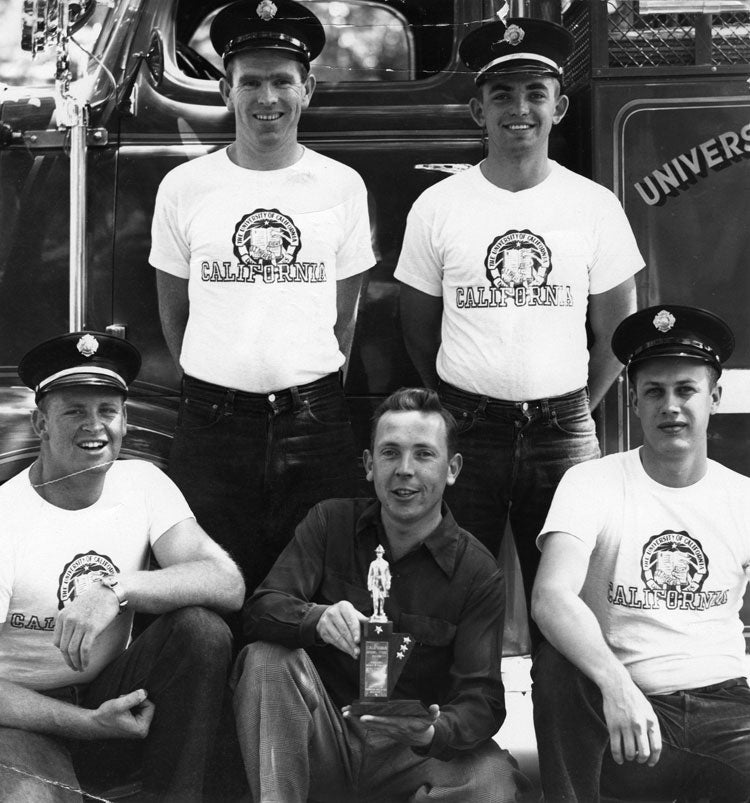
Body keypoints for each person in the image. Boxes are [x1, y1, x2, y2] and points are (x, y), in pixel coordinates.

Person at [394, 16, 644, 641]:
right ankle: (464, 709)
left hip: (562, 431)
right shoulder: (438, 206)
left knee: (571, 610)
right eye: (502, 94)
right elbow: (418, 328)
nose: (520, 109)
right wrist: (459, 405)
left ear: (559, 106)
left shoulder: (594, 205)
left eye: (536, 93)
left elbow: (618, 331)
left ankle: (567, 714)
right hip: (466, 428)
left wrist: (573, 407)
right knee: (451, 600)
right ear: (478, 110)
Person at [149, 0, 375, 599]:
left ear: (308, 90)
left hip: (315, 426)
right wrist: (222, 384)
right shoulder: (184, 187)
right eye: (250, 82)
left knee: (324, 600)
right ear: (227, 90)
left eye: (282, 81)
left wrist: (303, 392)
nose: (266, 97)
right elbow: (175, 313)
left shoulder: (342, 186)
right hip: (212, 427)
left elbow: (344, 319)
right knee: (209, 598)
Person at [232, 387, 530, 802]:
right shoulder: (330, 523)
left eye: (423, 454)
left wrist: (432, 731)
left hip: (409, 754)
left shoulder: (477, 572)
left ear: (452, 468)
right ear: (370, 465)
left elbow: (481, 698)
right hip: (324, 737)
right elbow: (261, 609)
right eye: (390, 453)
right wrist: (316, 619)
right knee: (266, 659)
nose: (405, 470)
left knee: (493, 780)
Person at [0, 331, 245, 802]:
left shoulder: (143, 483)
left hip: (113, 700)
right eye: (74, 411)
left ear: (126, 421)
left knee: (201, 631)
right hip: (24, 718)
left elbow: (226, 582)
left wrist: (115, 589)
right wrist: (87, 724)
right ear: (40, 422)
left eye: (107, 411)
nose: (94, 426)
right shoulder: (5, 517)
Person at [531, 305, 750, 802]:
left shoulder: (742, 497)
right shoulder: (591, 482)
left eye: (686, 390)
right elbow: (550, 597)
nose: (670, 406)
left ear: (714, 398)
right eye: (654, 391)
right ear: (633, 402)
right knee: (556, 668)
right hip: (622, 716)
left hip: (725, 710)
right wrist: (617, 687)